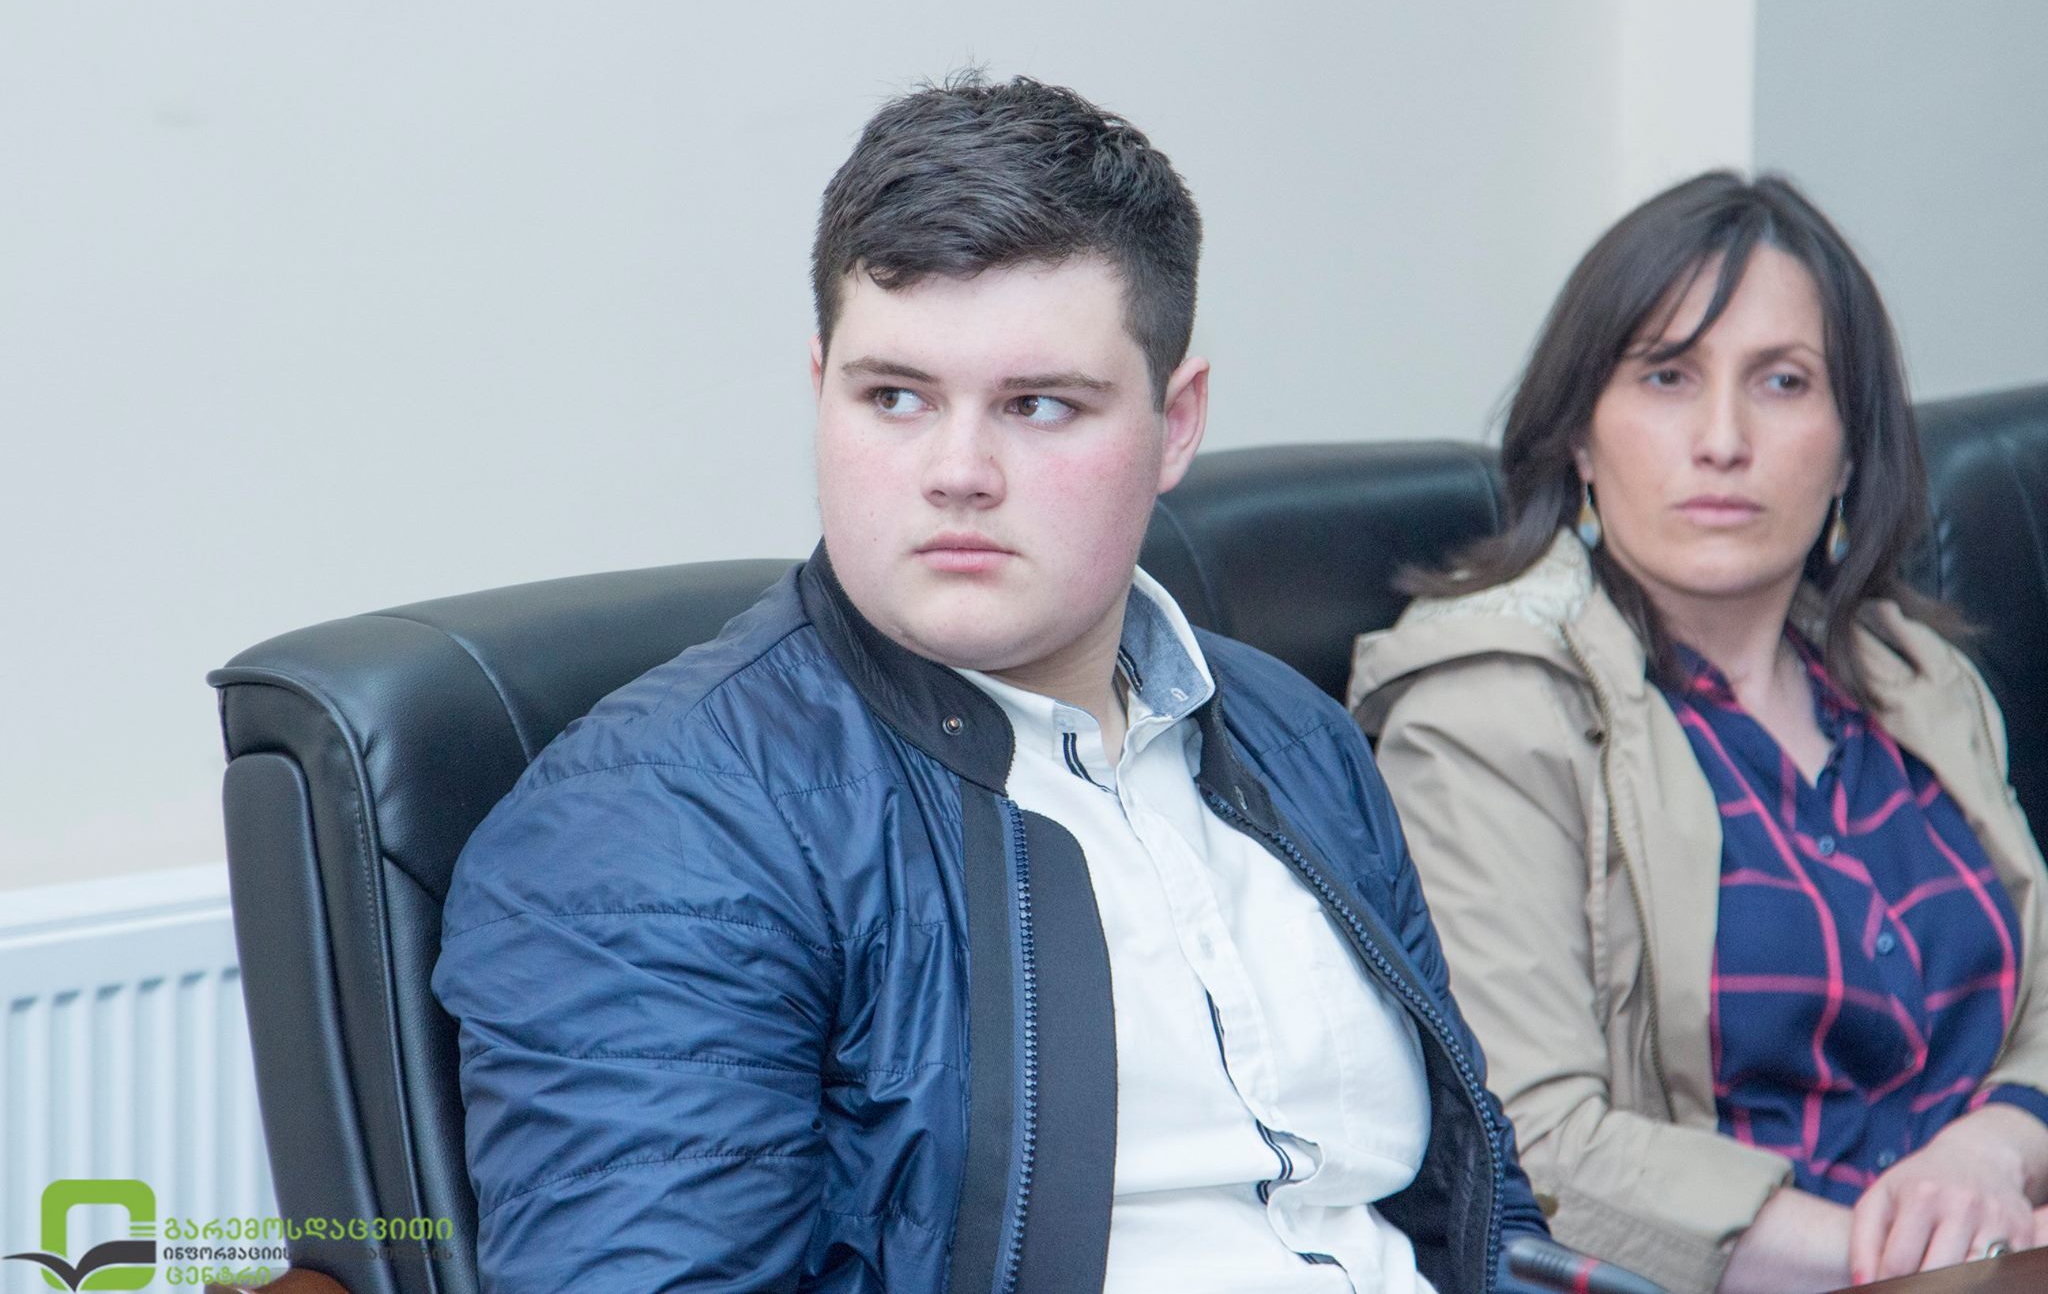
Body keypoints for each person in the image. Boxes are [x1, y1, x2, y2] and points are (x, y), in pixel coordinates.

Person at [432, 74, 1546, 1292]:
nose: (956, 471)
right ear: (819, 389)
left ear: (1175, 424)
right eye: (894, 397)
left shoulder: (1292, 733)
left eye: (1038, 406)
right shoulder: (653, 827)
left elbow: (1472, 1204)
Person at [1349, 171, 2048, 1294]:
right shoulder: (1485, 713)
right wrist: (1924, 1263)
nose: (1722, 439)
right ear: (1581, 437)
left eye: (1782, 381)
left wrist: (1992, 1151)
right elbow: (1535, 1145)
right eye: (1667, 376)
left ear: (1850, 446)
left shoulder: (1918, 678)